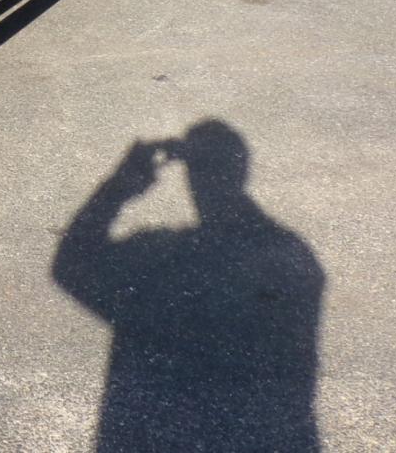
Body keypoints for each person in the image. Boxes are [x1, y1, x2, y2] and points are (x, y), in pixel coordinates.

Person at [52, 120, 325, 452]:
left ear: (189, 177)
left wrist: (119, 187)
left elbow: (70, 265)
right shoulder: (295, 261)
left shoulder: (159, 259)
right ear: (241, 171)